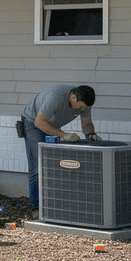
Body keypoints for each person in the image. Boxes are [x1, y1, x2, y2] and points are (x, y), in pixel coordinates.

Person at [18, 84, 101, 217]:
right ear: (73, 97)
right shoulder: (55, 97)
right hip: (33, 123)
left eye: (84, 108)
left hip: (51, 124)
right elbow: (39, 122)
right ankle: (37, 208)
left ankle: (53, 204)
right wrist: (63, 135)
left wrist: (90, 134)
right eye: (80, 107)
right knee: (38, 166)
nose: (81, 110)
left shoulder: (84, 102)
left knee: (54, 165)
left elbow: (86, 124)